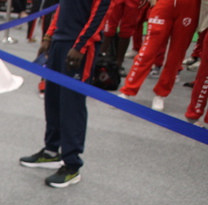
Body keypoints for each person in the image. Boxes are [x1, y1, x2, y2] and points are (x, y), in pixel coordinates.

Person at [18, 0, 112, 188]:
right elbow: (62, 7)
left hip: (79, 46)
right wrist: (49, 37)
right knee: (52, 99)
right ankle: (51, 151)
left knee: (72, 104)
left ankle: (72, 164)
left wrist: (80, 46)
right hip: (59, 42)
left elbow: (98, 15)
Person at [118, 0, 199, 111]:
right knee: (148, 51)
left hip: (189, 7)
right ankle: (128, 89)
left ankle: (161, 94)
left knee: (176, 55)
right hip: (164, 5)